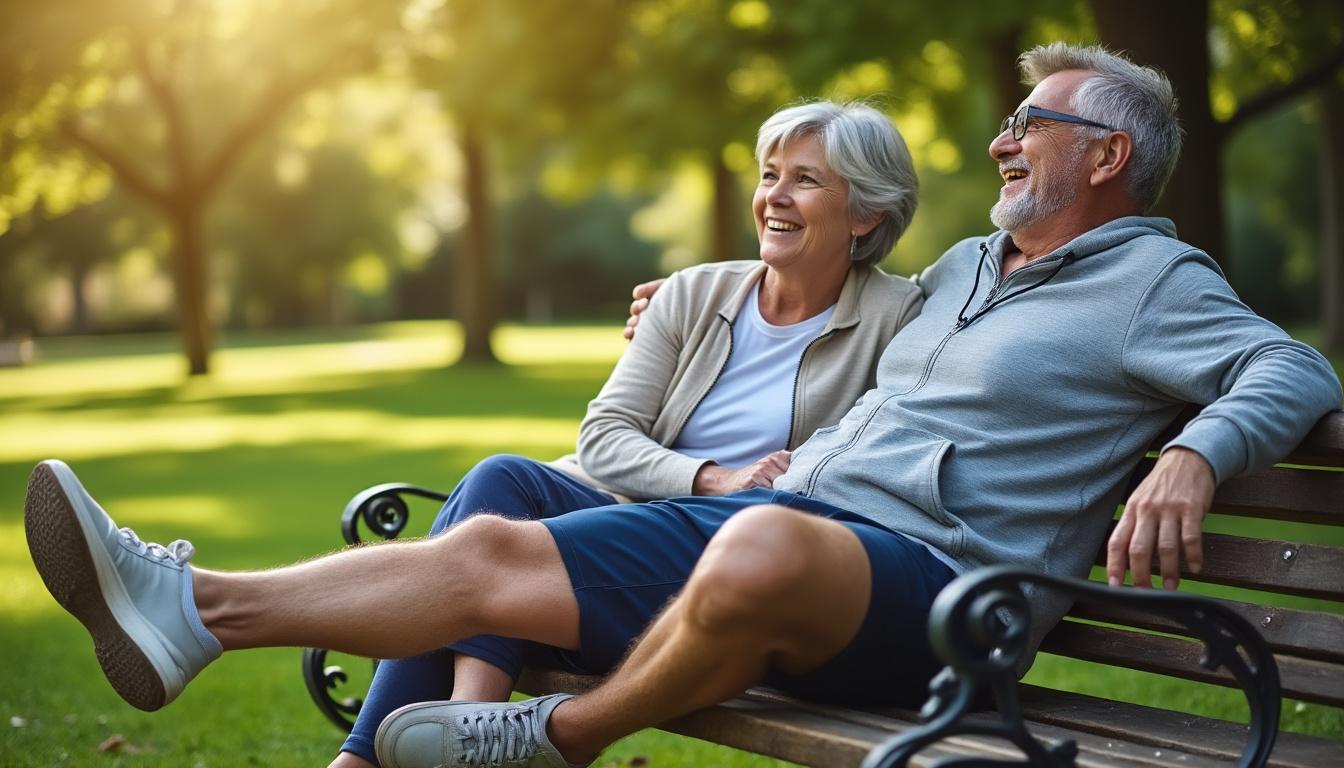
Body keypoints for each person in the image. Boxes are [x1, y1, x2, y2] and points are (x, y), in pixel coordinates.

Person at [25, 43, 1341, 768]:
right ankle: (192, 610)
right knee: (498, 538)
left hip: (944, 596)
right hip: (808, 530)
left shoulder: (1153, 282)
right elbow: (834, 286)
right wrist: (712, 291)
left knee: (761, 539)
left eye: (1030, 123)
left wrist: (1193, 452)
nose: (1002, 139)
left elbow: (1297, 370)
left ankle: (557, 738)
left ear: (1106, 156)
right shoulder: (958, 272)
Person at [330, 101, 924, 767]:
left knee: (490, 548)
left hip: (717, 572)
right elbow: (604, 435)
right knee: (501, 479)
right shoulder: (694, 293)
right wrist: (713, 478)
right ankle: (465, 727)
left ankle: (414, 748)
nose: (774, 196)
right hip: (620, 525)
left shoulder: (902, 319)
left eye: (805, 180)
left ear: (867, 213)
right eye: (769, 175)